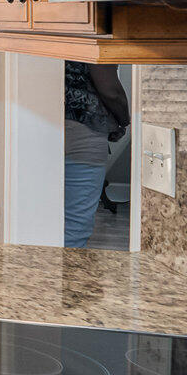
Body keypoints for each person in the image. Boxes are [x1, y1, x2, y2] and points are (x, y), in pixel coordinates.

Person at [64, 62, 130, 248]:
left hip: (34, 123)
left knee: (32, 221)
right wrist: (124, 119)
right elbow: (109, 89)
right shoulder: (95, 33)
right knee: (74, 228)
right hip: (83, 126)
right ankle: (66, 276)